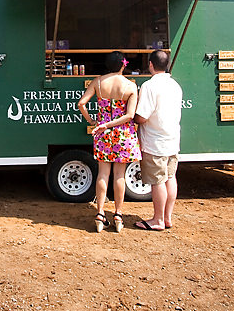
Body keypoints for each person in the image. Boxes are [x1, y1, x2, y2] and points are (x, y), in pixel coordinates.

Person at [77, 51, 142, 233]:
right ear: (123, 65)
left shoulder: (98, 82)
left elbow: (81, 103)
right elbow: (130, 115)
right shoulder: (130, 86)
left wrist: (94, 122)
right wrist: (110, 125)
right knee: (120, 175)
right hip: (123, 135)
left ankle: (99, 214)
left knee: (102, 174)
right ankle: (118, 215)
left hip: (102, 134)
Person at [133, 49, 182, 231]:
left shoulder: (149, 86)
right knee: (171, 178)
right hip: (172, 139)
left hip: (155, 141)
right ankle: (167, 217)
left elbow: (142, 117)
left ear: (151, 65)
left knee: (157, 181)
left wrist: (133, 117)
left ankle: (157, 220)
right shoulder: (175, 85)